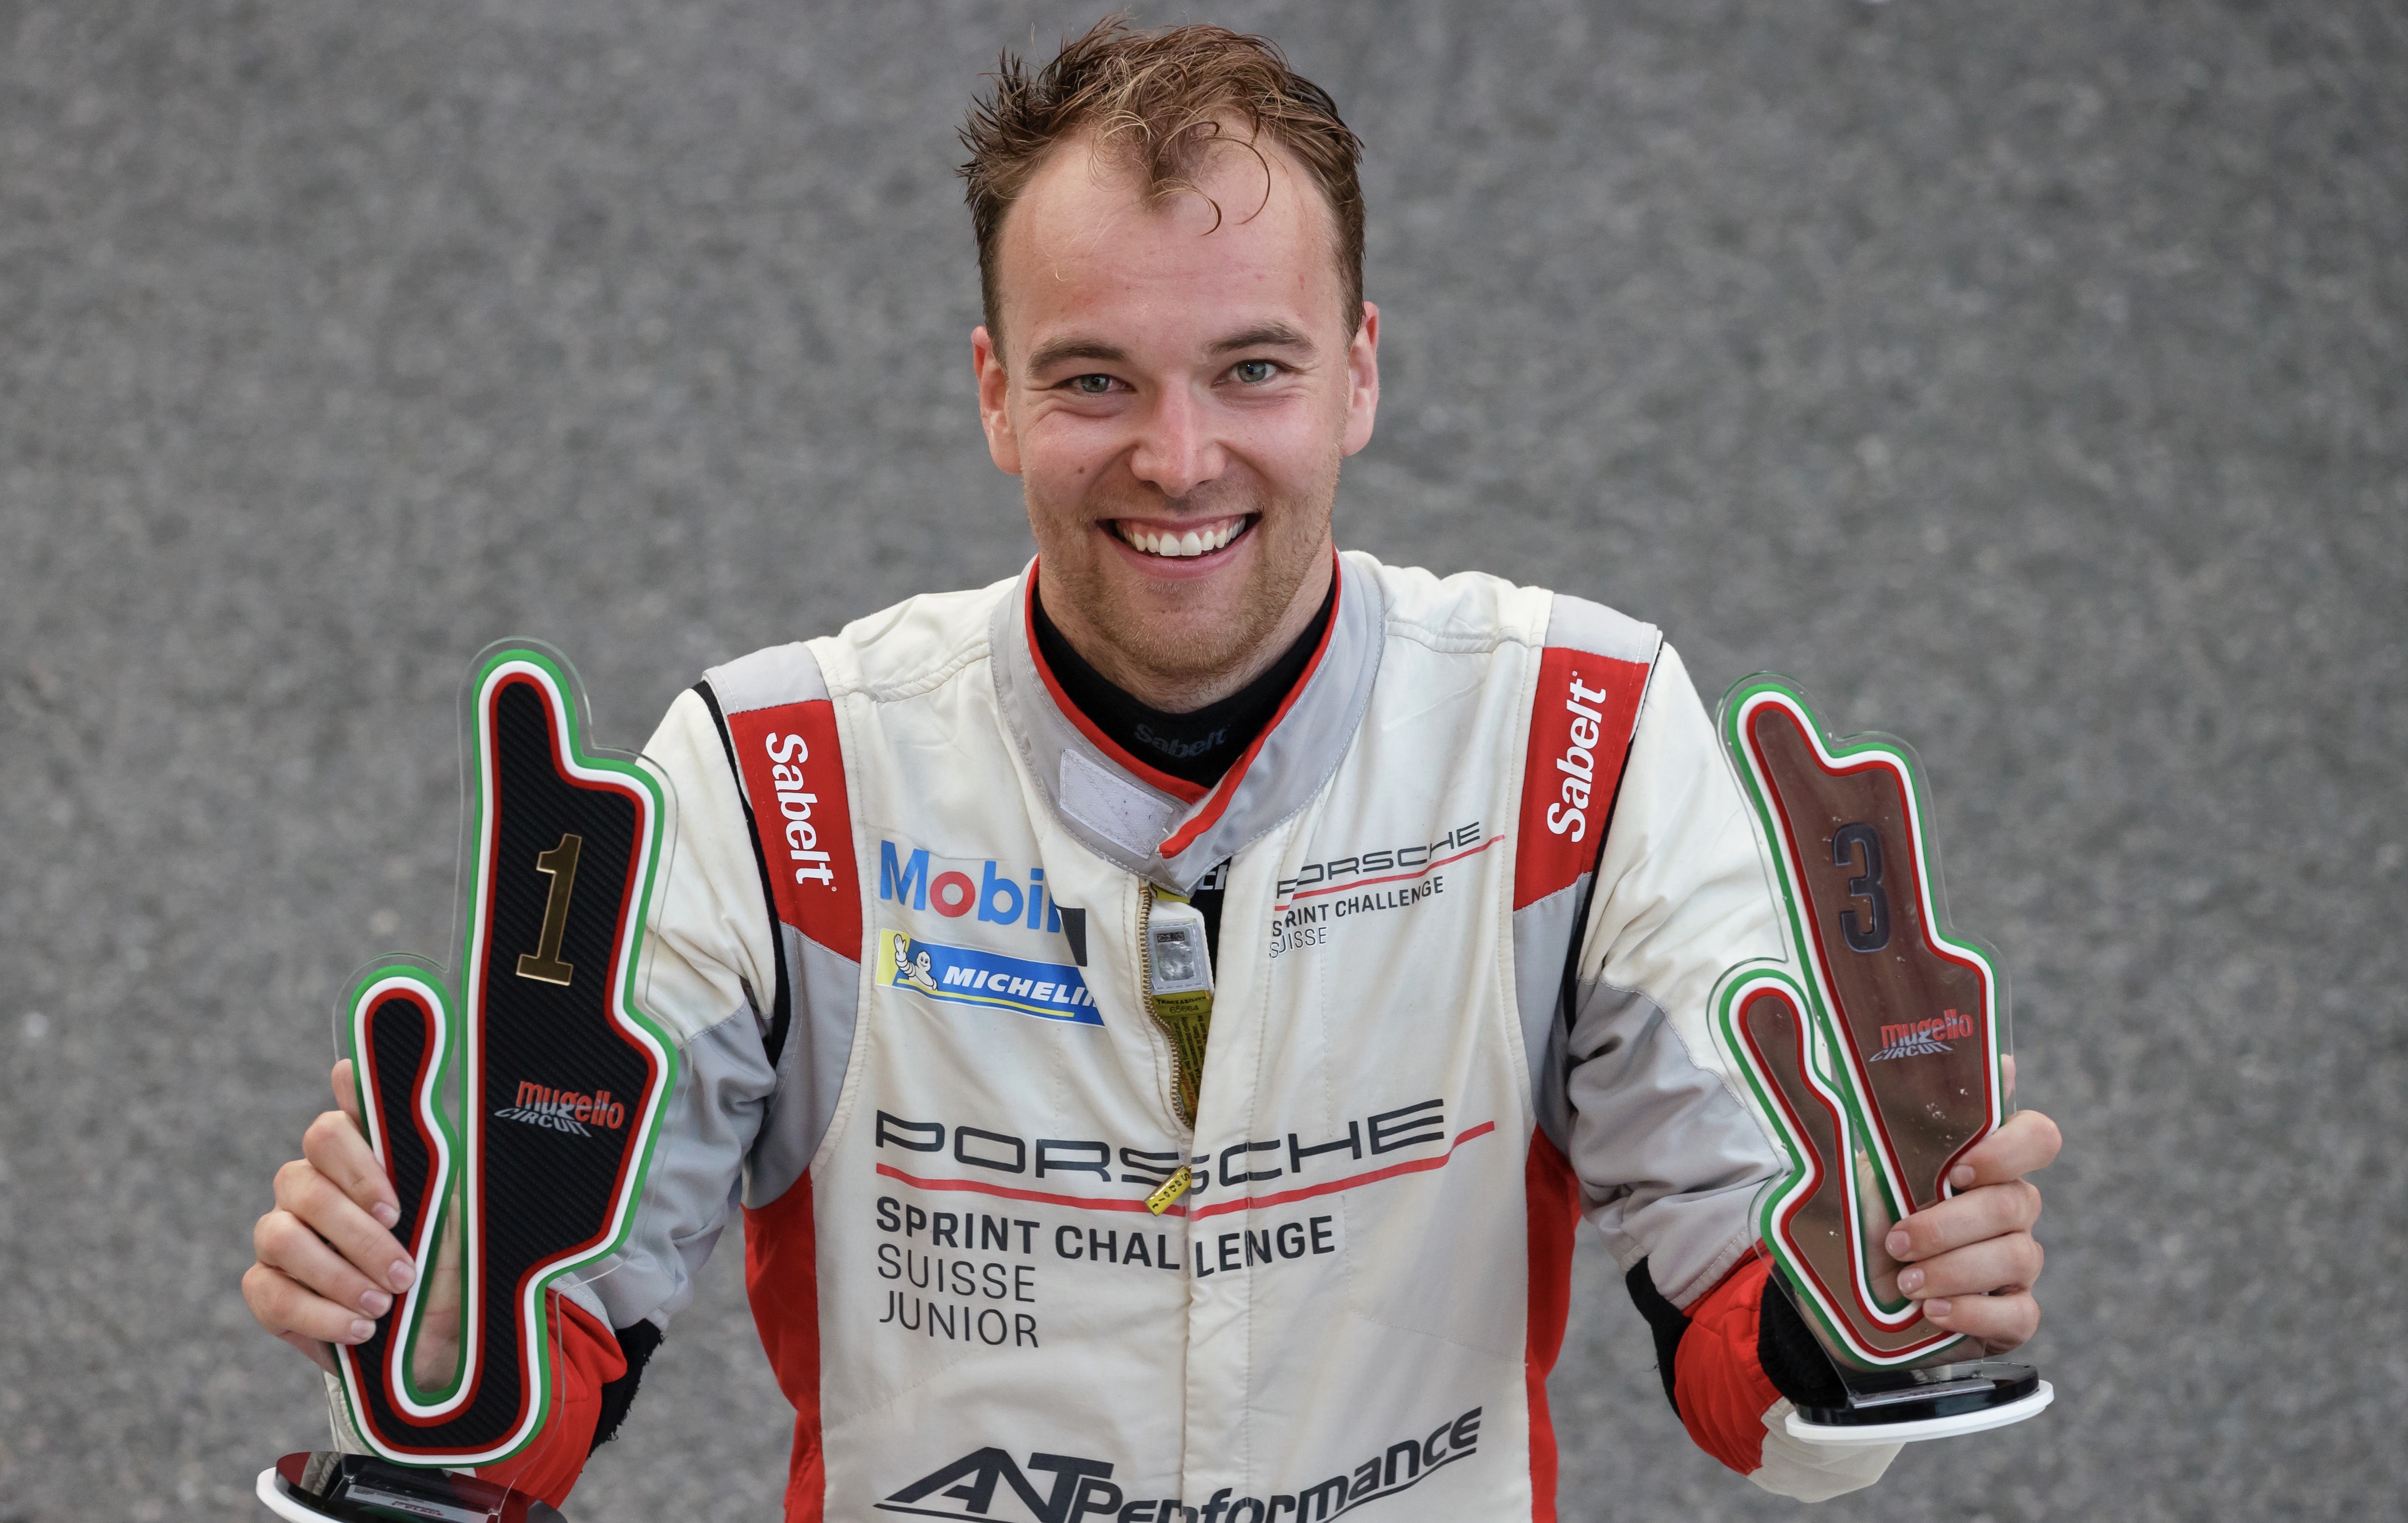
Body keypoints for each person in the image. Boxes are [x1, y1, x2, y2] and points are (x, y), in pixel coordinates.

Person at [245, 19, 2058, 1520]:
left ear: (1359, 375)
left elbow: (1758, 1373)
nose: (1179, 458)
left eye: (1252, 368)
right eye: (1095, 381)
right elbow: (532, 1379)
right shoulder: (778, 772)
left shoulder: (1575, 732)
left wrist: (1869, 1303)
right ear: (995, 393)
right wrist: (422, 1323)